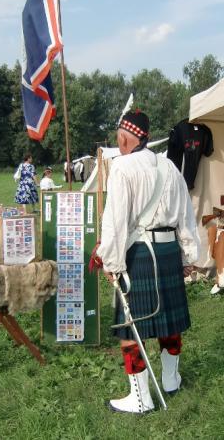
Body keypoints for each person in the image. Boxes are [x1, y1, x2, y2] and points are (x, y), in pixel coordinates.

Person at [94, 110, 199, 414]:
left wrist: (111, 263)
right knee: (169, 323)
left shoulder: (122, 168)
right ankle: (170, 380)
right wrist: (188, 256)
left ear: (126, 136)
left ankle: (141, 399)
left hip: (138, 254)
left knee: (130, 329)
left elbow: (115, 222)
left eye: (119, 136)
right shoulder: (169, 167)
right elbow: (186, 217)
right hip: (167, 254)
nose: (119, 141)